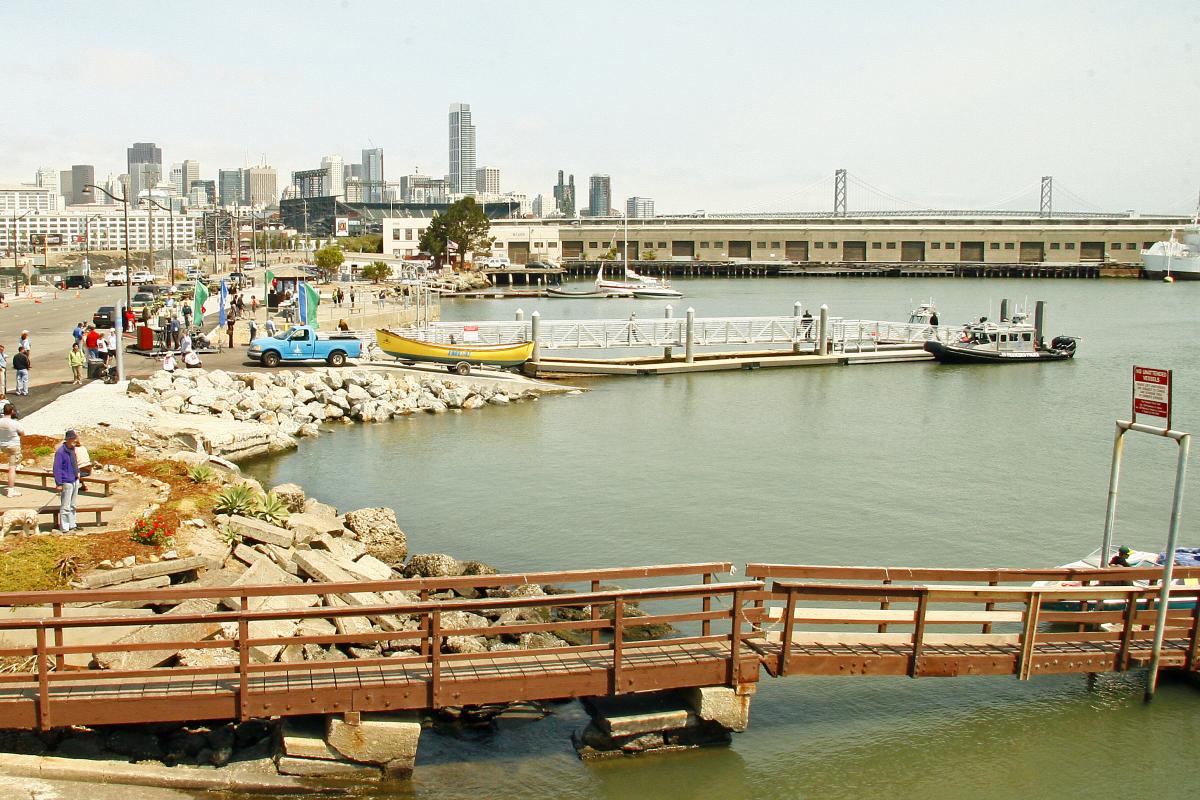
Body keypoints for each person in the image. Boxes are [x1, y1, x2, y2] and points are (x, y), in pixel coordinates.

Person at [53, 430, 82, 533]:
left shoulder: (72, 449)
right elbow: (57, 468)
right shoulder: (60, 452)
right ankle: (65, 527)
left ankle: (72, 524)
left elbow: (75, 463)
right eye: (74, 439)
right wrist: (59, 483)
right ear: (69, 439)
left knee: (73, 504)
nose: (75, 441)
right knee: (65, 506)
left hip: (74, 479)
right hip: (66, 481)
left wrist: (77, 472)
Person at [0, 404, 23, 498]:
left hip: (3, 446)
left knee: (12, 464)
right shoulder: (14, 423)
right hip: (13, 446)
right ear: (12, 411)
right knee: (12, 468)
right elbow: (22, 433)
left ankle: (18, 465)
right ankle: (11, 490)